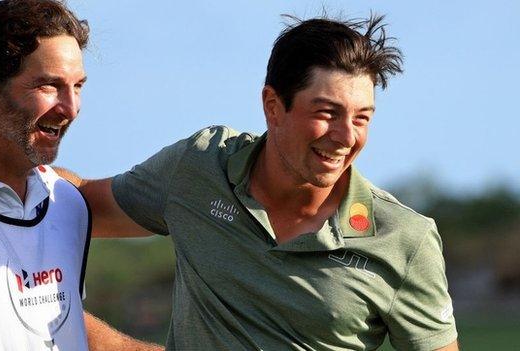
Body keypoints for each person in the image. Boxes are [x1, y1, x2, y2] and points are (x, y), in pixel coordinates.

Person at [65, 14, 459, 351]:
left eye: (361, 118)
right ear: (273, 106)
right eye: (327, 112)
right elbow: (77, 203)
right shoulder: (200, 166)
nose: (346, 136)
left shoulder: (406, 240)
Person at [0, 1, 161, 350]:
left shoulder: (65, 201)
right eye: (49, 86)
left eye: (77, 86)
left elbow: (55, 325)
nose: (70, 108)